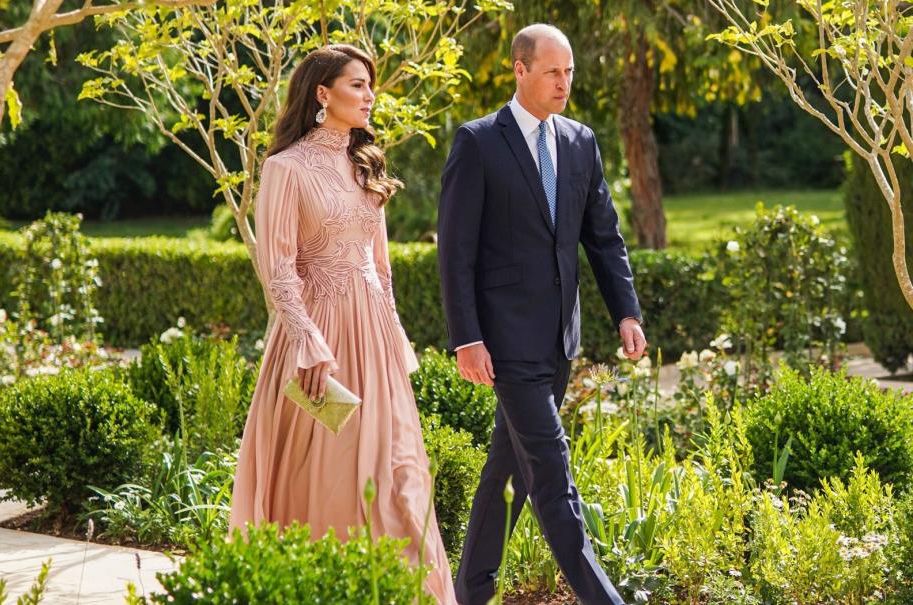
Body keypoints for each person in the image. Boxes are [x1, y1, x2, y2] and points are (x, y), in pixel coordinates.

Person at [228, 44, 457, 604]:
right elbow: (277, 265)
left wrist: (395, 333)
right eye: (357, 85)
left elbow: (380, 264)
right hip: (319, 343)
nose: (370, 95)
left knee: (400, 475)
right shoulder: (284, 168)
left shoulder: (367, 163)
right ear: (322, 94)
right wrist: (308, 341)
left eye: (370, 84)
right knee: (329, 479)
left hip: (374, 340)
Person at [438, 23, 648, 605]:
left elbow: (603, 239)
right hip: (505, 344)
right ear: (520, 70)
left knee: (505, 474)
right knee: (553, 479)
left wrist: (626, 313)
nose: (564, 82)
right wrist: (467, 338)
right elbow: (455, 253)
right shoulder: (478, 143)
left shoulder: (580, 141)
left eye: (570, 71)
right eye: (553, 71)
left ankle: (468, 595)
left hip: (560, 341)